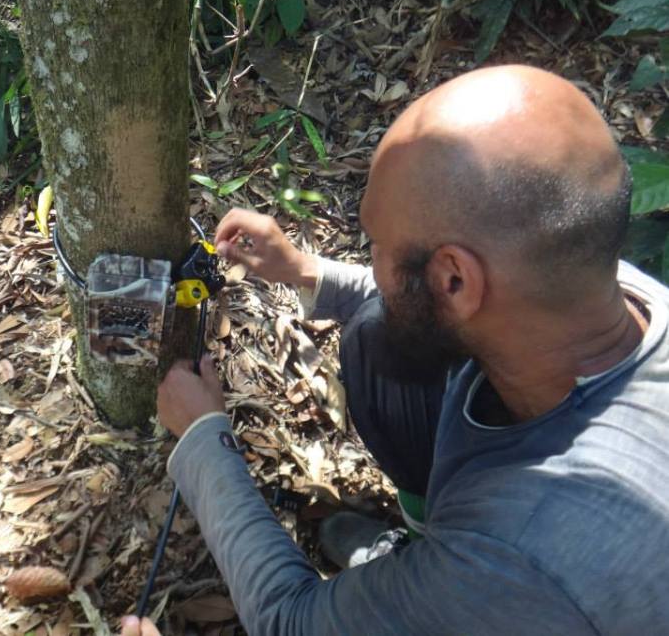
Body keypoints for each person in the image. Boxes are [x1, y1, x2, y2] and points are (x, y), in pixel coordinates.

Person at [131, 65, 669, 635]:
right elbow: (424, 300)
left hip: (517, 594)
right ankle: (420, 559)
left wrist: (202, 440)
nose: (374, 258)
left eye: (378, 244)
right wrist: (305, 271)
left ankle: (425, 586)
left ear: (455, 279)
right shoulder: (601, 289)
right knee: (374, 334)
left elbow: (288, 621)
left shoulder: (521, 556)